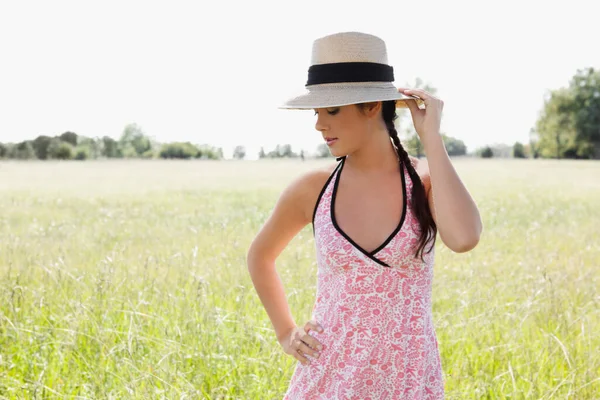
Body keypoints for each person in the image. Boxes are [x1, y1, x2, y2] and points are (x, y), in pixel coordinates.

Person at [246, 31, 482, 399]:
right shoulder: (313, 188)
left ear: (372, 106)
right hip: (328, 375)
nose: (319, 124)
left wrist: (431, 139)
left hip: (406, 376)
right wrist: (285, 331)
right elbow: (260, 256)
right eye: (317, 112)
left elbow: (465, 238)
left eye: (333, 110)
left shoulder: (424, 181)